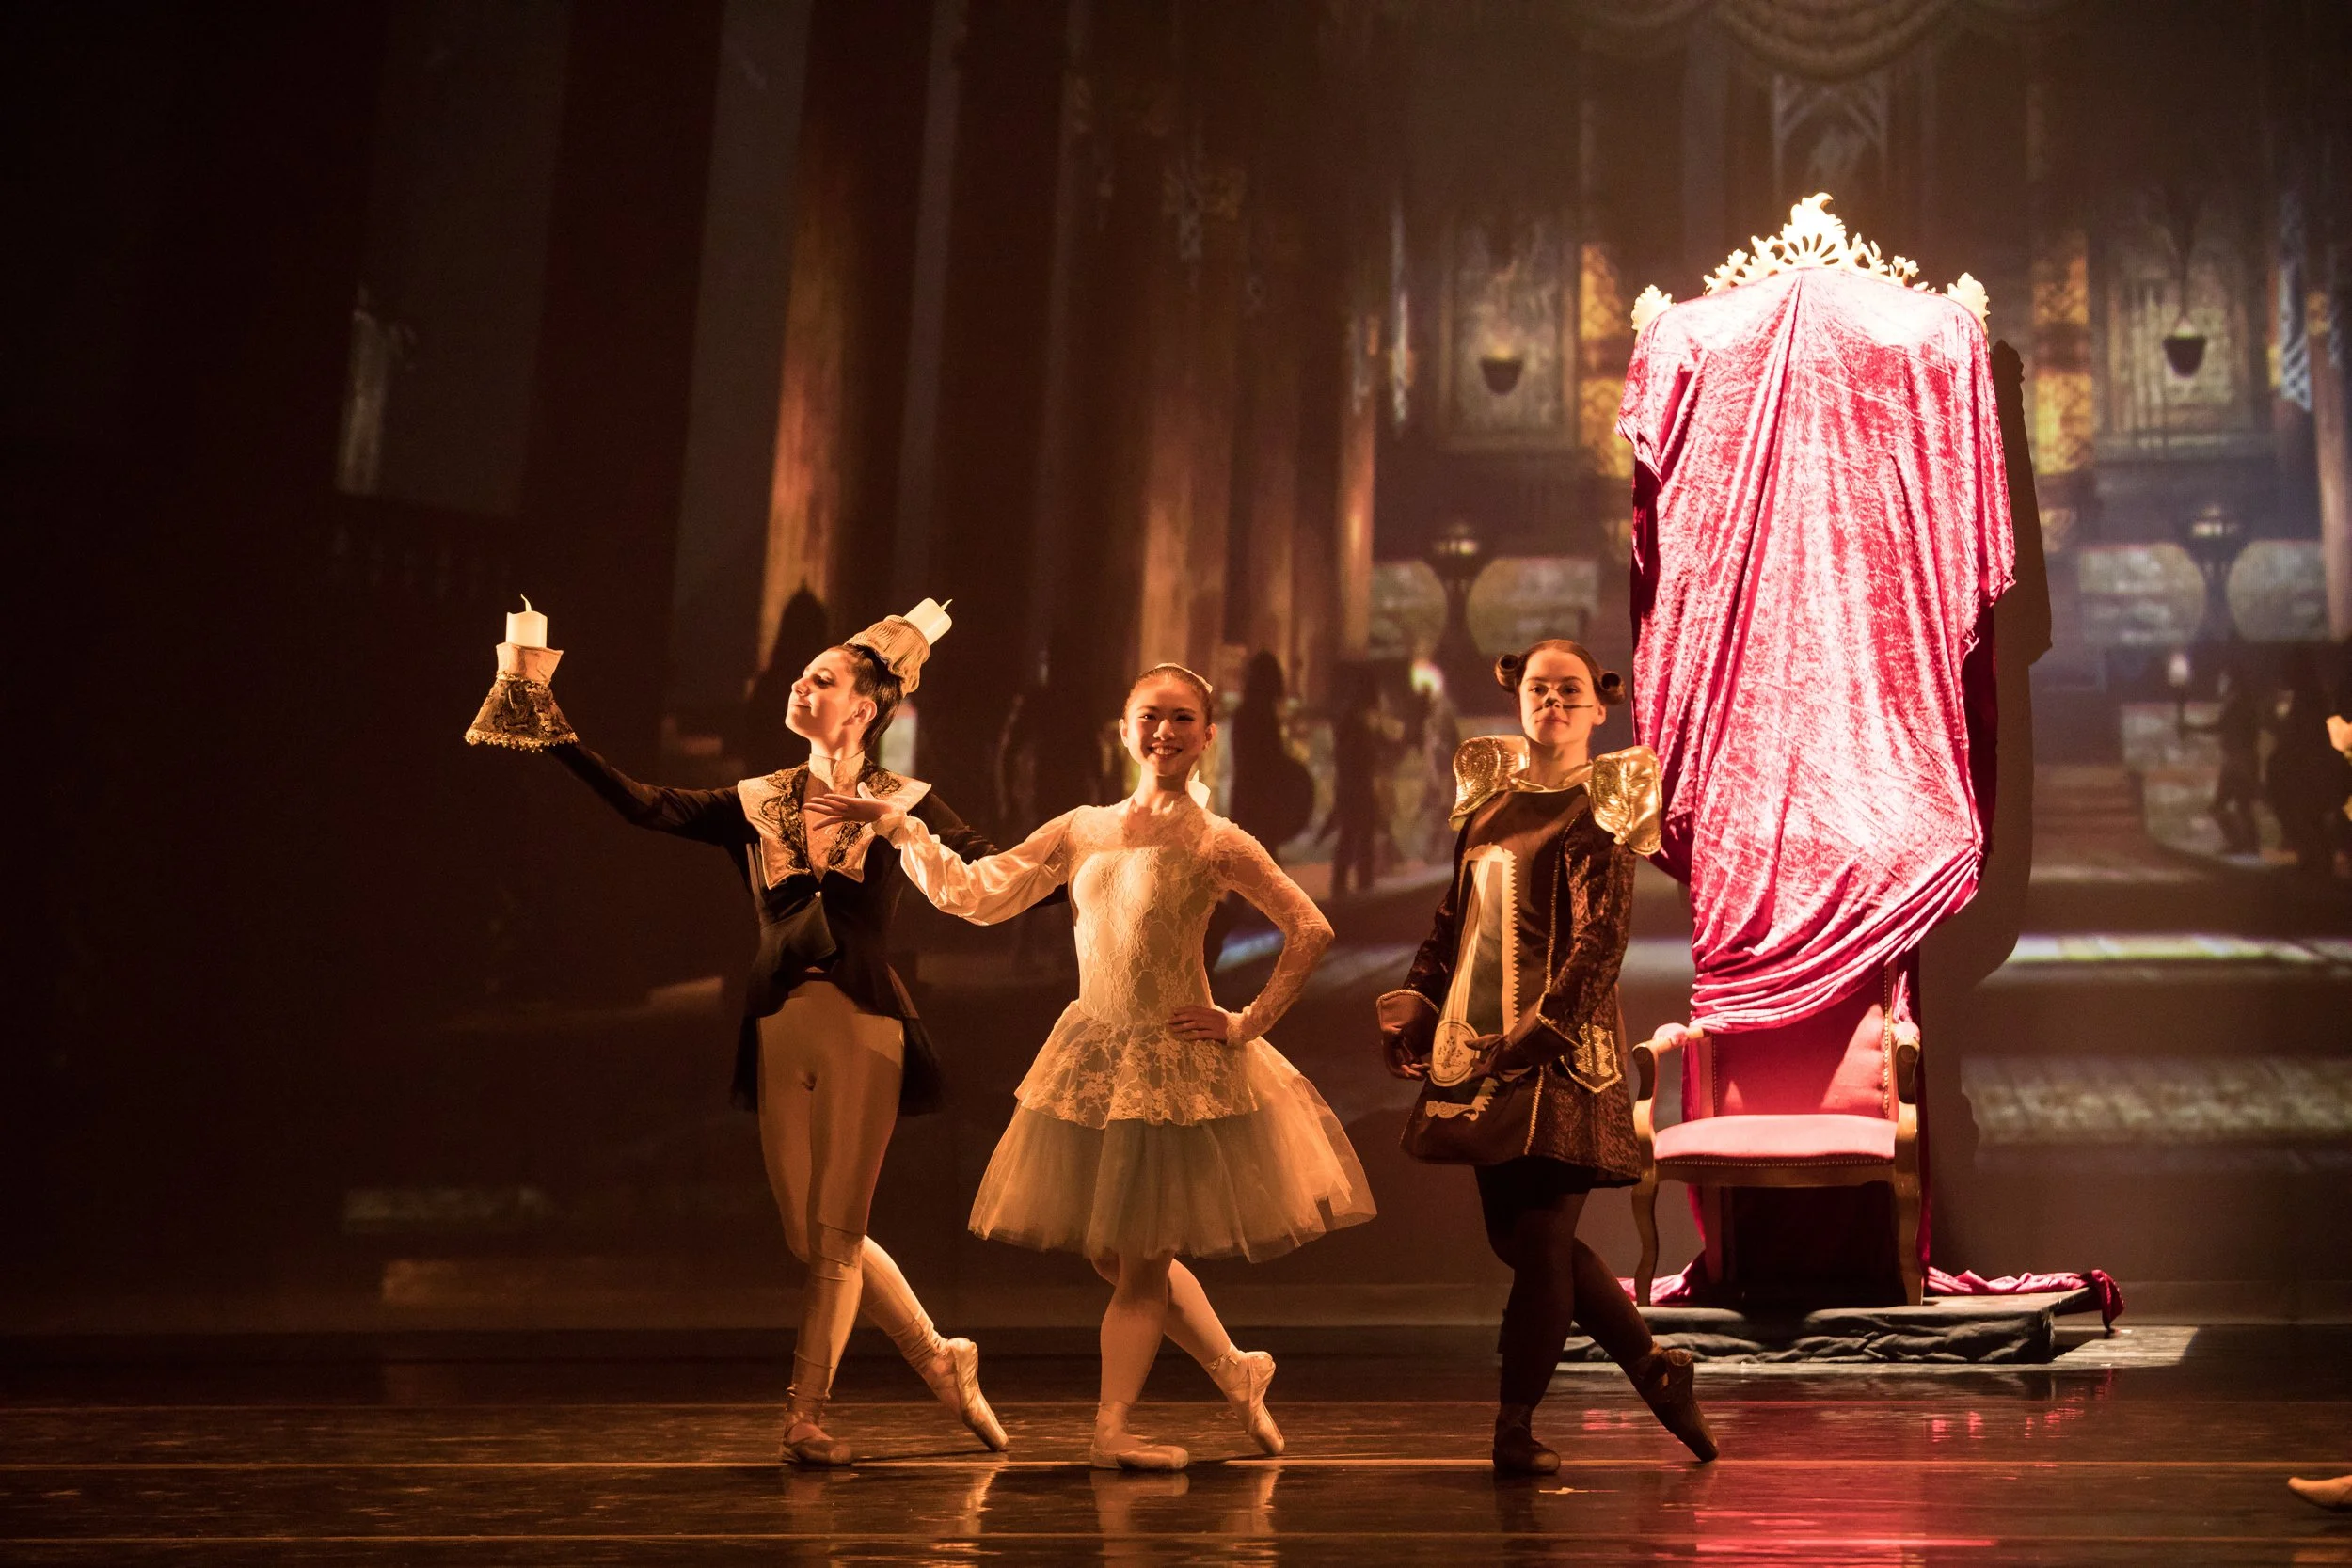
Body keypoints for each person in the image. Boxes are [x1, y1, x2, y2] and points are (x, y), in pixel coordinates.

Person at [809, 662, 1375, 1470]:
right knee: (1116, 1255)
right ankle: (1236, 1369)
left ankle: (1112, 1430)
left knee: (1139, 1262)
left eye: (1182, 718)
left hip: (1170, 1067)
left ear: (1208, 735)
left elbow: (1309, 927)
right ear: (1124, 728)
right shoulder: (1083, 827)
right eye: (1150, 716)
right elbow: (978, 892)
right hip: (1098, 1059)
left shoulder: (1215, 839)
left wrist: (1246, 1021)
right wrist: (903, 828)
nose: (1165, 732)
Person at [524, 601, 1009, 1467]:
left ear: (863, 707)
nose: (799, 684)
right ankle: (939, 1356)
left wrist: (1093, 858)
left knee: (837, 1235)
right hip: (779, 1025)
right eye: (801, 675)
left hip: (865, 1024)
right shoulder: (757, 800)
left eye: (821, 678)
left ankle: (805, 1416)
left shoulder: (906, 801)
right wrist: (553, 732)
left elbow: (994, 870)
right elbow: (645, 805)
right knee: (810, 1237)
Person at [1378, 638, 1717, 1474]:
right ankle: (1655, 1368)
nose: (1554, 702)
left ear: (1599, 706)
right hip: (1477, 1050)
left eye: (1570, 690)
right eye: (1540, 688)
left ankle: (1514, 1427)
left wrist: (1538, 1034)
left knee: (1539, 1240)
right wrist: (1418, 1003)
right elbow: (1455, 920)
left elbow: (1602, 942)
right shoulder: (1489, 800)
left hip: (1563, 1056)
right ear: (1519, 698)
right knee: (1521, 1238)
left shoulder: (1602, 803)